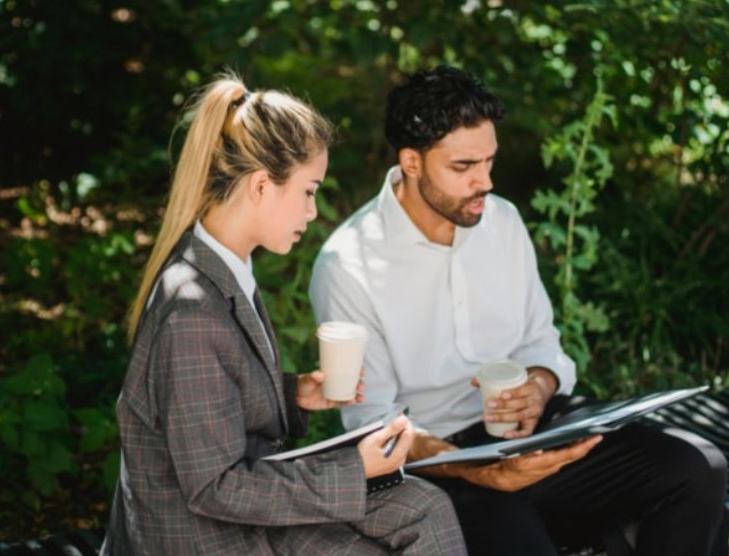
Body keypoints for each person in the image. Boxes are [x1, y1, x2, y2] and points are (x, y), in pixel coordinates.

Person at [309, 65, 728, 555]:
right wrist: (483, 470)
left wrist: (538, 385)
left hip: (532, 432)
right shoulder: (349, 263)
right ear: (412, 162)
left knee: (698, 466)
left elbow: (541, 343)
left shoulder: (502, 221)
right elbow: (375, 426)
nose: (484, 182)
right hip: (437, 462)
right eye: (464, 167)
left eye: (490, 161)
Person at [100, 73, 467, 555]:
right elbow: (214, 488)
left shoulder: (225, 265)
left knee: (427, 507)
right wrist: (353, 470)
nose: (313, 212)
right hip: (204, 534)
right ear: (259, 186)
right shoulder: (191, 310)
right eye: (309, 191)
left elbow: (209, 401)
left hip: (243, 497)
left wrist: (294, 393)